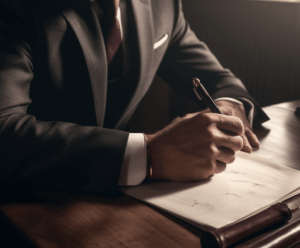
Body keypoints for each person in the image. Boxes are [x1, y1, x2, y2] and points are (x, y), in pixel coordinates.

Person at [0, 0, 269, 196]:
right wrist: (150, 154)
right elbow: (4, 133)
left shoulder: (164, 5)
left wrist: (229, 109)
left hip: (123, 201)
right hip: (27, 200)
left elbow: (221, 81)